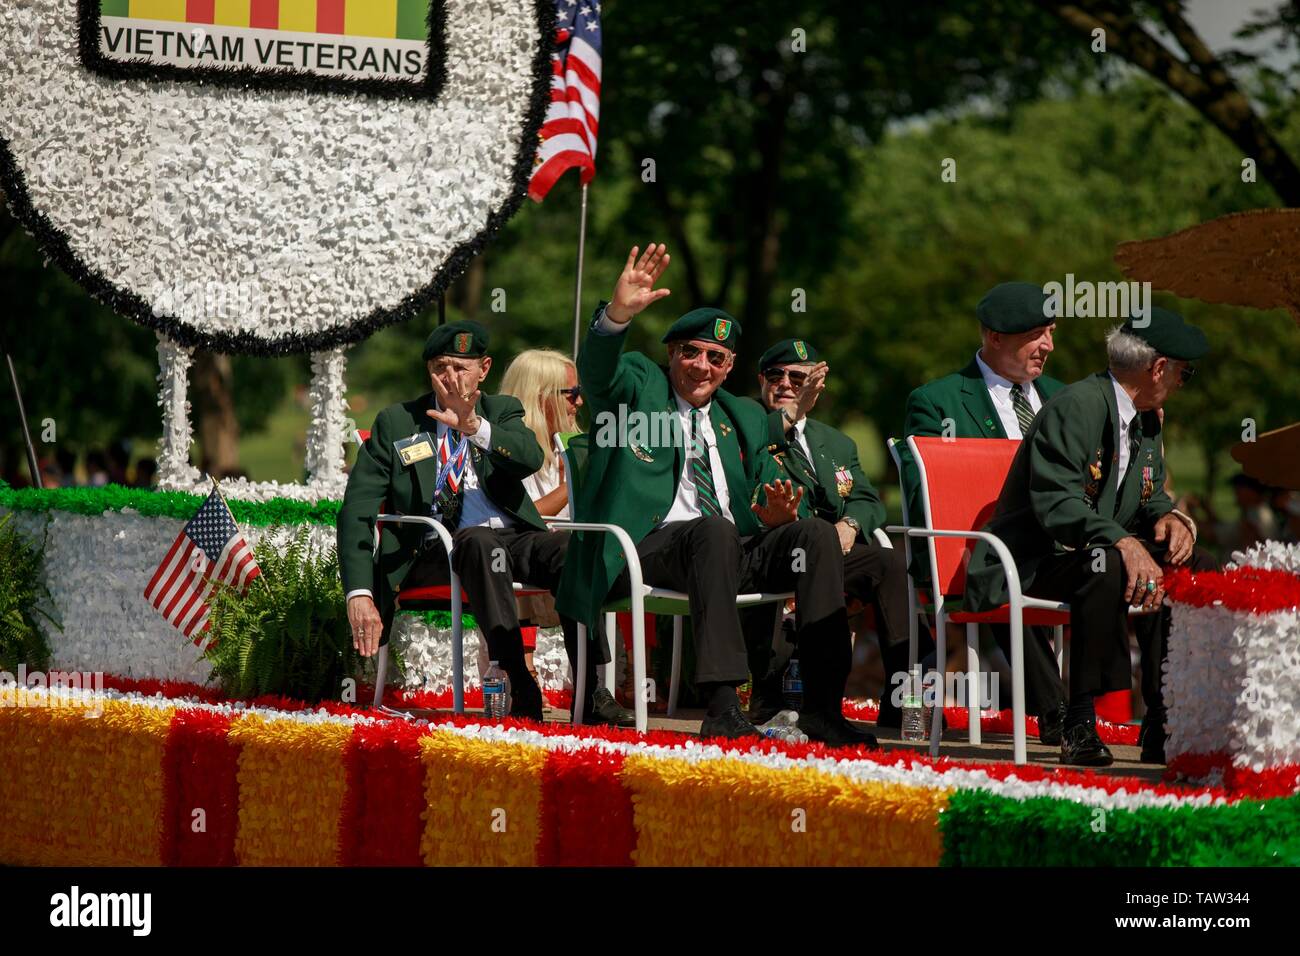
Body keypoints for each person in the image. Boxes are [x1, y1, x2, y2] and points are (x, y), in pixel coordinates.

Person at [556, 244, 875, 747]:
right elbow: (597, 377)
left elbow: (769, 488)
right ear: (671, 355)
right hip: (651, 548)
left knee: (813, 534)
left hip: (728, 548)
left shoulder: (743, 416)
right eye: (691, 352)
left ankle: (821, 708)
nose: (702, 365)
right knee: (713, 531)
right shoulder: (641, 385)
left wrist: (776, 516)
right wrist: (616, 316)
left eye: (716, 357)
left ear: (729, 368)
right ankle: (724, 704)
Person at [337, 320, 633, 727]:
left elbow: (529, 456)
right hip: (435, 549)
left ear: (484, 369)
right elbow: (357, 508)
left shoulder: (501, 411)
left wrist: (474, 427)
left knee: (572, 549)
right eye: (441, 367)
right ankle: (519, 679)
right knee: (478, 543)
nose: (451, 378)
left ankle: (591, 688)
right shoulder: (399, 422)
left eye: (461, 367)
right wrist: (358, 591)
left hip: (512, 536)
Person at [963, 309, 1210, 766]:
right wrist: (1123, 541)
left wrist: (1172, 518)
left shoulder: (1148, 418)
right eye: (1184, 373)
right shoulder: (1077, 406)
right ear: (1158, 369)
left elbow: (1147, 492)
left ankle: (1163, 716)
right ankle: (1078, 722)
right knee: (1110, 563)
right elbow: (1056, 504)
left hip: (1087, 553)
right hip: (1030, 561)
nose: (1182, 382)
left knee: (1186, 564)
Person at [898, 281, 1067, 738]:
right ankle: (1060, 714)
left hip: (1063, 546)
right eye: (1037, 335)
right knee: (1004, 570)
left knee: (1130, 567)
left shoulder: (1065, 399)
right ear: (994, 337)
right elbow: (927, 498)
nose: (1048, 346)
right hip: (978, 552)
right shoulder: (938, 401)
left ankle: (1158, 717)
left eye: (1051, 332)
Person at [743, 338, 908, 726]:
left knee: (888, 563)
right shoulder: (745, 423)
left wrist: (849, 525)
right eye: (775, 375)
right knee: (814, 541)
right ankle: (786, 696)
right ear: (760, 380)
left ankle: (903, 696)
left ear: (814, 386)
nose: (784, 383)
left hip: (830, 550)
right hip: (767, 549)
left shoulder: (834, 441)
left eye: (797, 377)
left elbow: (868, 499)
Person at [498, 348, 633, 725]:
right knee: (578, 554)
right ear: (541, 397)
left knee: (604, 552)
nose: (580, 401)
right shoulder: (508, 447)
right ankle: (591, 691)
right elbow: (522, 513)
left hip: (568, 552)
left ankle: (599, 686)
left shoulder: (571, 446)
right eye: (571, 393)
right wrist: (576, 488)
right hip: (518, 548)